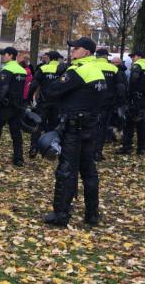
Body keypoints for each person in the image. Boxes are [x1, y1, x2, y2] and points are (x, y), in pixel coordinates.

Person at [43, 37, 105, 227]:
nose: (72, 51)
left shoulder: (79, 70)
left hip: (74, 127)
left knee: (66, 171)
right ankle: (92, 214)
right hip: (90, 126)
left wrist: (60, 76)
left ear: (86, 52)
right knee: (89, 171)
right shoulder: (97, 70)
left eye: (76, 48)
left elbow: (52, 91)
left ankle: (61, 214)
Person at [27, 51, 64, 158]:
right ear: (57, 59)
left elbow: (33, 85)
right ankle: (51, 150)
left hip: (43, 103)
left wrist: (29, 98)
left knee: (37, 125)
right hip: (57, 103)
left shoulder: (43, 68)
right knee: (54, 127)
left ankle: (33, 147)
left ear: (49, 58)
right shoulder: (64, 70)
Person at [119, 51, 145, 155]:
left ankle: (127, 147)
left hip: (135, 98)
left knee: (129, 123)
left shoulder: (137, 66)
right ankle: (141, 148)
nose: (132, 58)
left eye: (133, 56)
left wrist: (129, 95)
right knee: (141, 124)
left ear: (139, 56)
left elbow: (133, 80)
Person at [93, 49, 125, 161]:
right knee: (102, 127)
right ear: (106, 56)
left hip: (91, 102)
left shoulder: (90, 65)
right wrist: (120, 103)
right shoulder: (113, 68)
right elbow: (120, 87)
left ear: (97, 56)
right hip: (107, 103)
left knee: (89, 126)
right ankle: (97, 152)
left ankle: (87, 152)